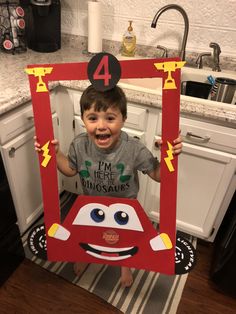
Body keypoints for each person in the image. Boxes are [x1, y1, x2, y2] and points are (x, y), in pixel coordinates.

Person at [35, 84, 182, 287]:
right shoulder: (79, 145)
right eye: (93, 118)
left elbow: (158, 175)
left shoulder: (134, 149)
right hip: (92, 208)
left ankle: (125, 265)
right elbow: (69, 169)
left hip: (125, 211)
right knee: (87, 235)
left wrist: (169, 156)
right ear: (83, 119)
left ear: (123, 120)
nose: (101, 125)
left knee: (126, 240)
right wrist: (54, 154)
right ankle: (85, 256)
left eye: (110, 118)